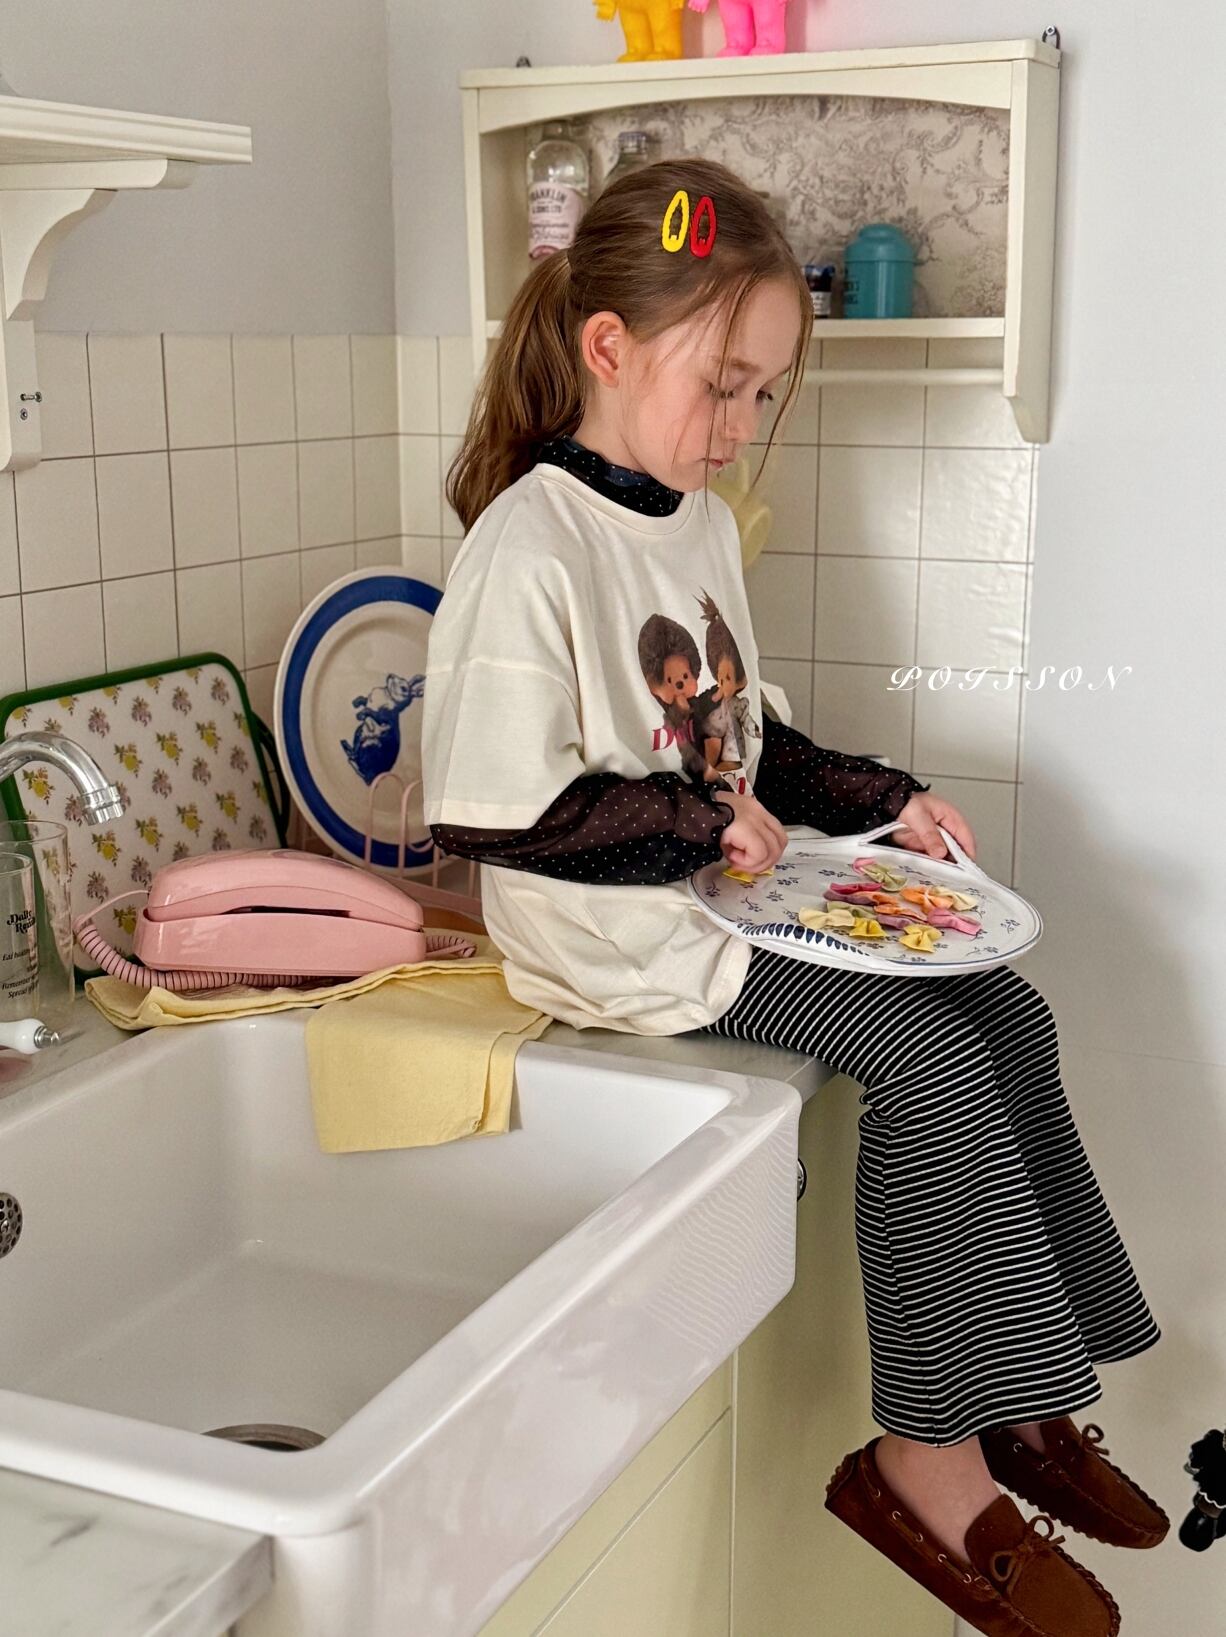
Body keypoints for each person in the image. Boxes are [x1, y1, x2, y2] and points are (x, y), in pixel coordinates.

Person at [420, 156, 1165, 1635]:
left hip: (711, 904)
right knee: (932, 1058)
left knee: (1008, 1012)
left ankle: (1017, 1392)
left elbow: (743, 743)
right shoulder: (532, 542)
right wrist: (700, 823)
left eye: (765, 394)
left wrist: (881, 796)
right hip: (622, 949)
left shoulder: (695, 523)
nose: (741, 426)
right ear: (607, 346)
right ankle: (923, 1457)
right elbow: (491, 817)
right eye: (722, 386)